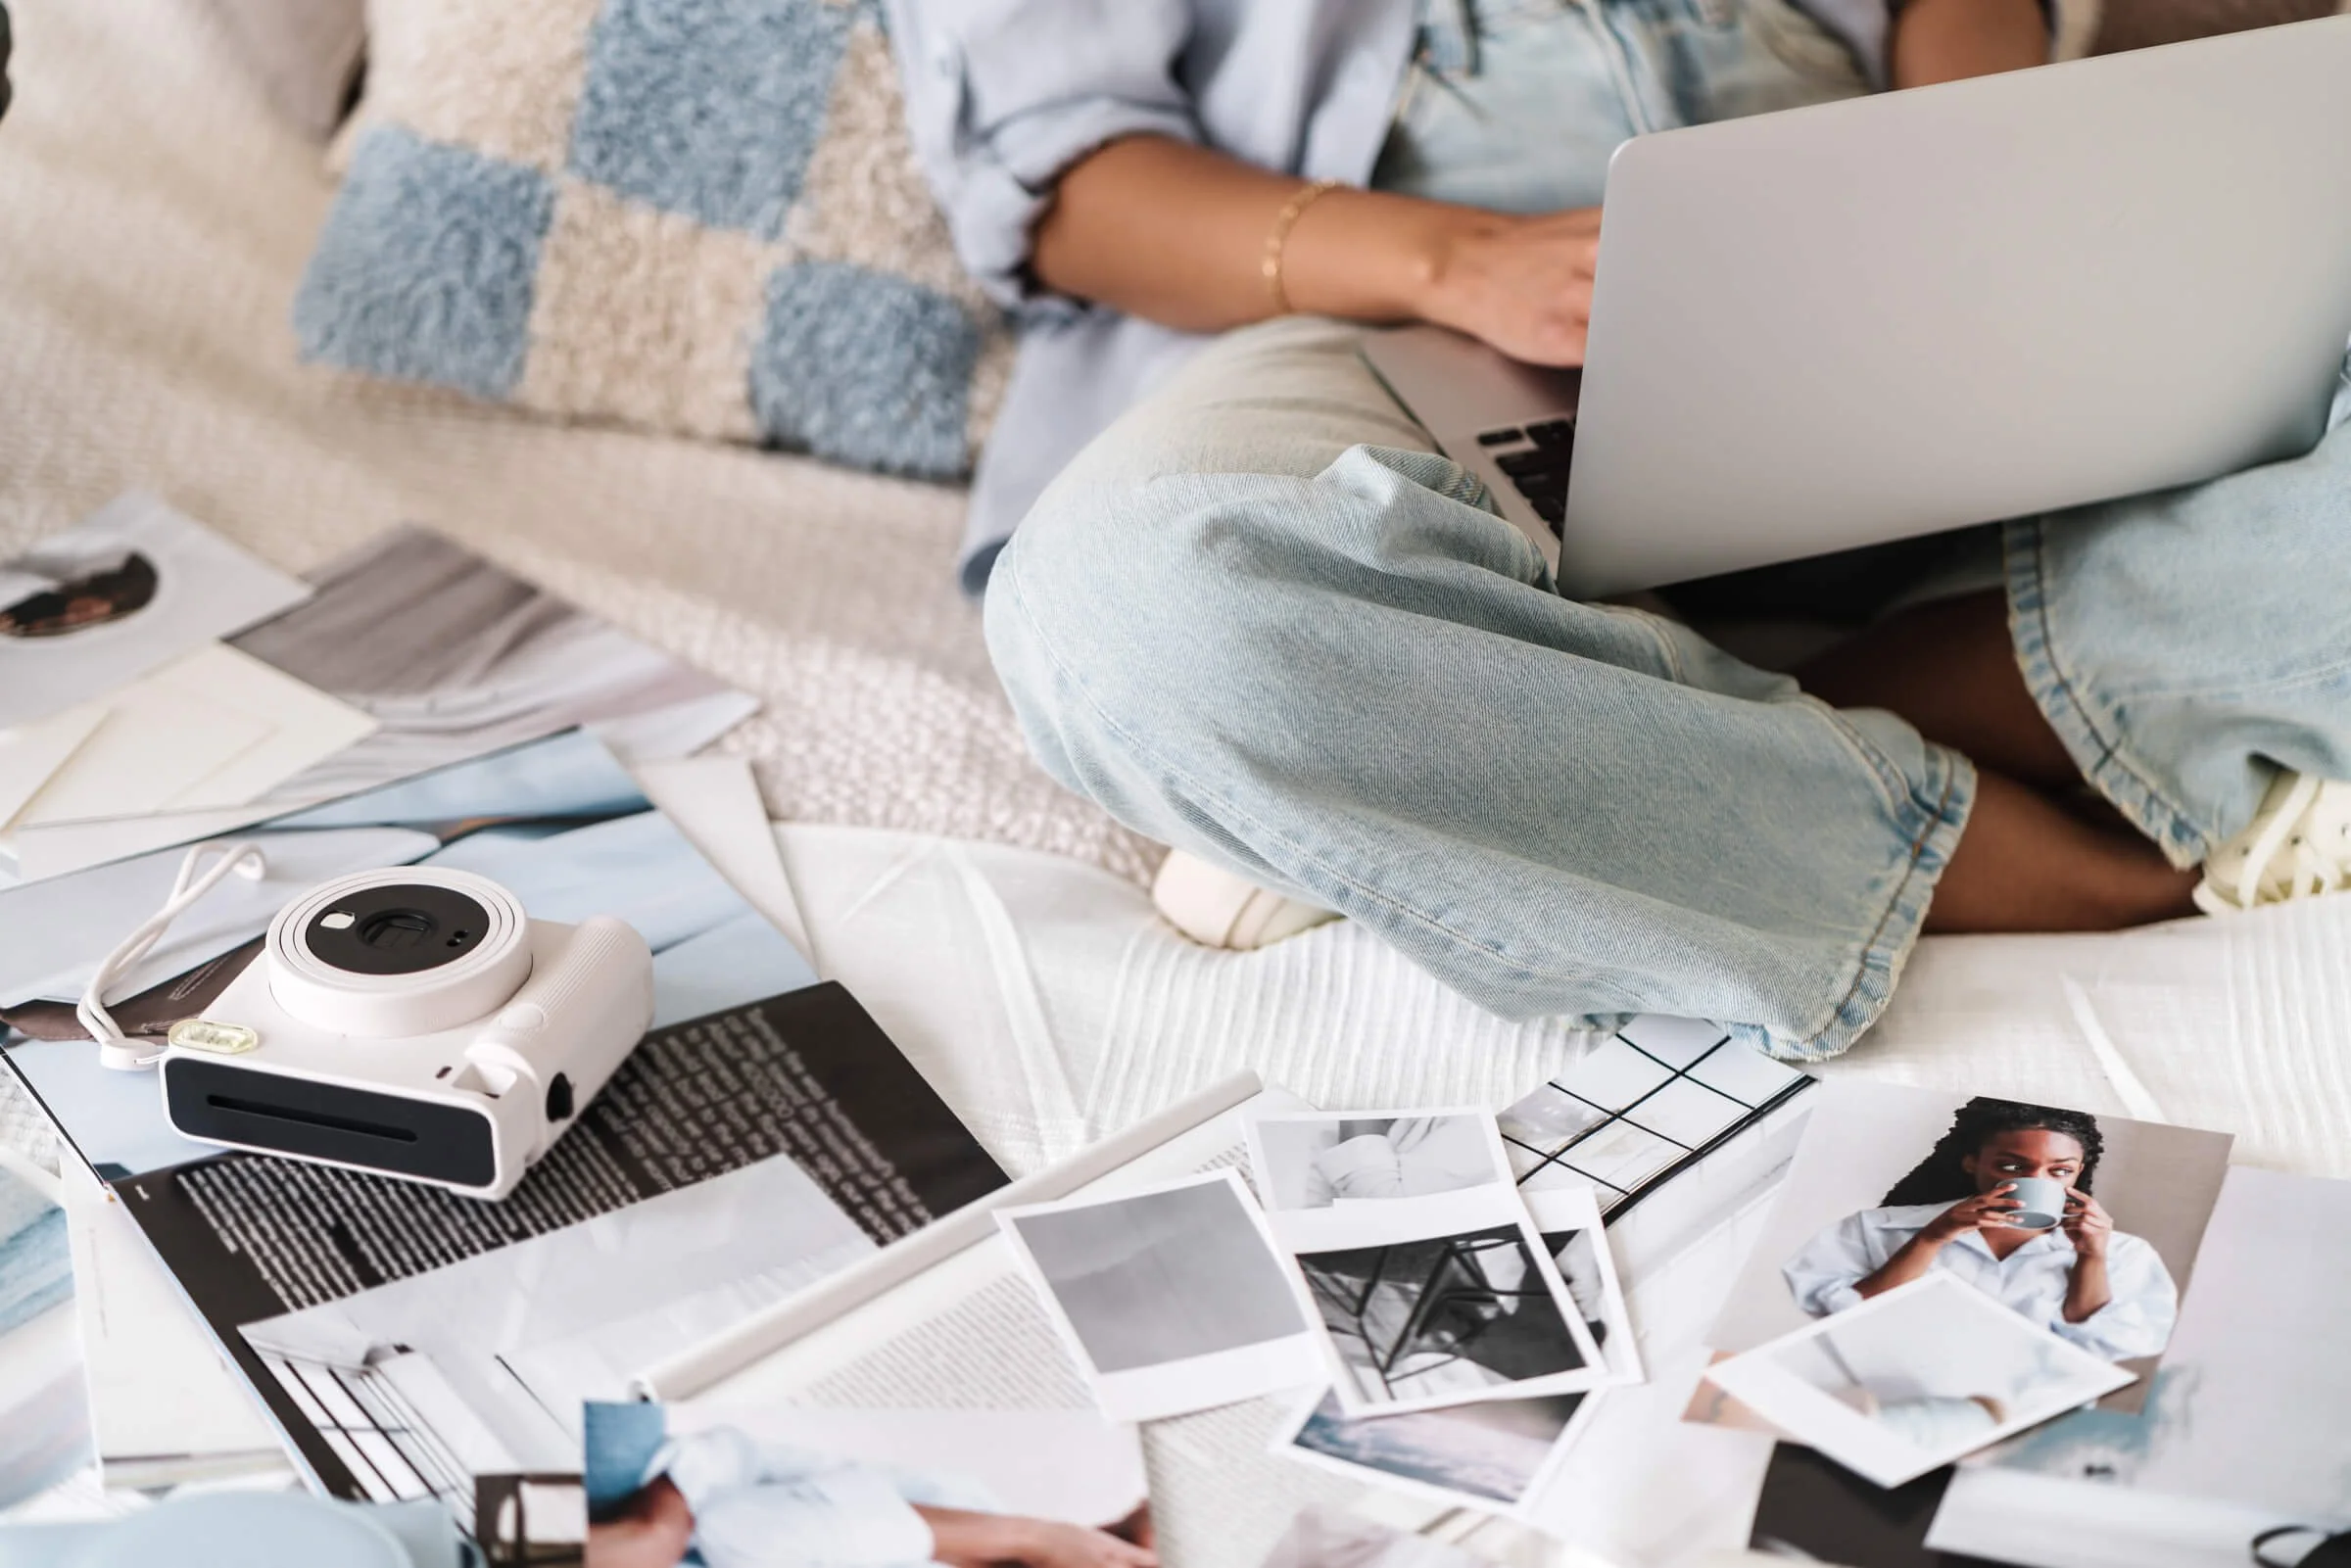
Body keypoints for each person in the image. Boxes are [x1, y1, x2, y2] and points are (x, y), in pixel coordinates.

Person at [889, 0, 2351, 1060]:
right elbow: (1069, 183)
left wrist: (1973, 185)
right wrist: (1457, 262)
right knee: (1141, 617)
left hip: (1885, 286)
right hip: (1395, 327)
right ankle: (2052, 859)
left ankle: (1520, 756)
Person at [1780, 1097, 2178, 1361]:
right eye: (2011, 1167)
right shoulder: (1877, 1228)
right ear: (1971, 1162)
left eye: (2059, 1171)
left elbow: (2099, 1343)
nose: (2037, 1181)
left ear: (2078, 1172)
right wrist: (1932, 1237)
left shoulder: (2124, 1254)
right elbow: (1844, 1315)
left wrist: (2092, 1255)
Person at [588, 1423, 1157, 1568]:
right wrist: (664, 1513)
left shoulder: (992, 1520)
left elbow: (743, 1533)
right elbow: (746, 1456)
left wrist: (1031, 1535)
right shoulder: (962, 1494)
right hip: (654, 1492)